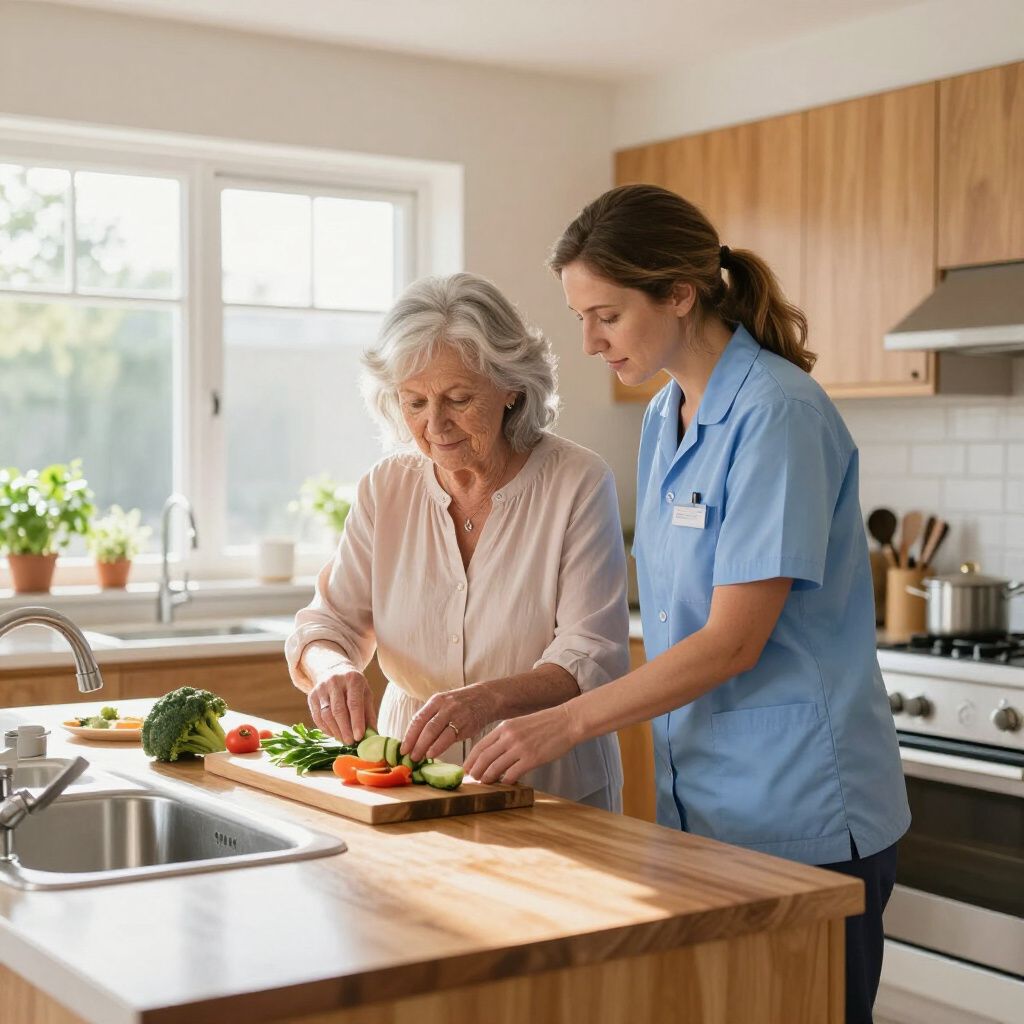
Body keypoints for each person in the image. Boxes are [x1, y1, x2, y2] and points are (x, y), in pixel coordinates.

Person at [463, 185, 910, 1024]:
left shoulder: (776, 412)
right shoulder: (666, 413)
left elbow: (732, 643)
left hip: (801, 808)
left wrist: (565, 722)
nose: (589, 342)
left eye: (607, 315)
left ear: (679, 292)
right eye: (580, 316)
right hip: (701, 806)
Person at [285, 271, 628, 811]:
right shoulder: (386, 487)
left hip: (546, 780)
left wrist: (486, 700)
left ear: (511, 387)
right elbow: (329, 623)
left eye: (458, 398)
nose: (434, 424)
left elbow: (591, 652)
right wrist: (334, 670)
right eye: (414, 402)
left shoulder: (577, 481)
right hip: (406, 773)